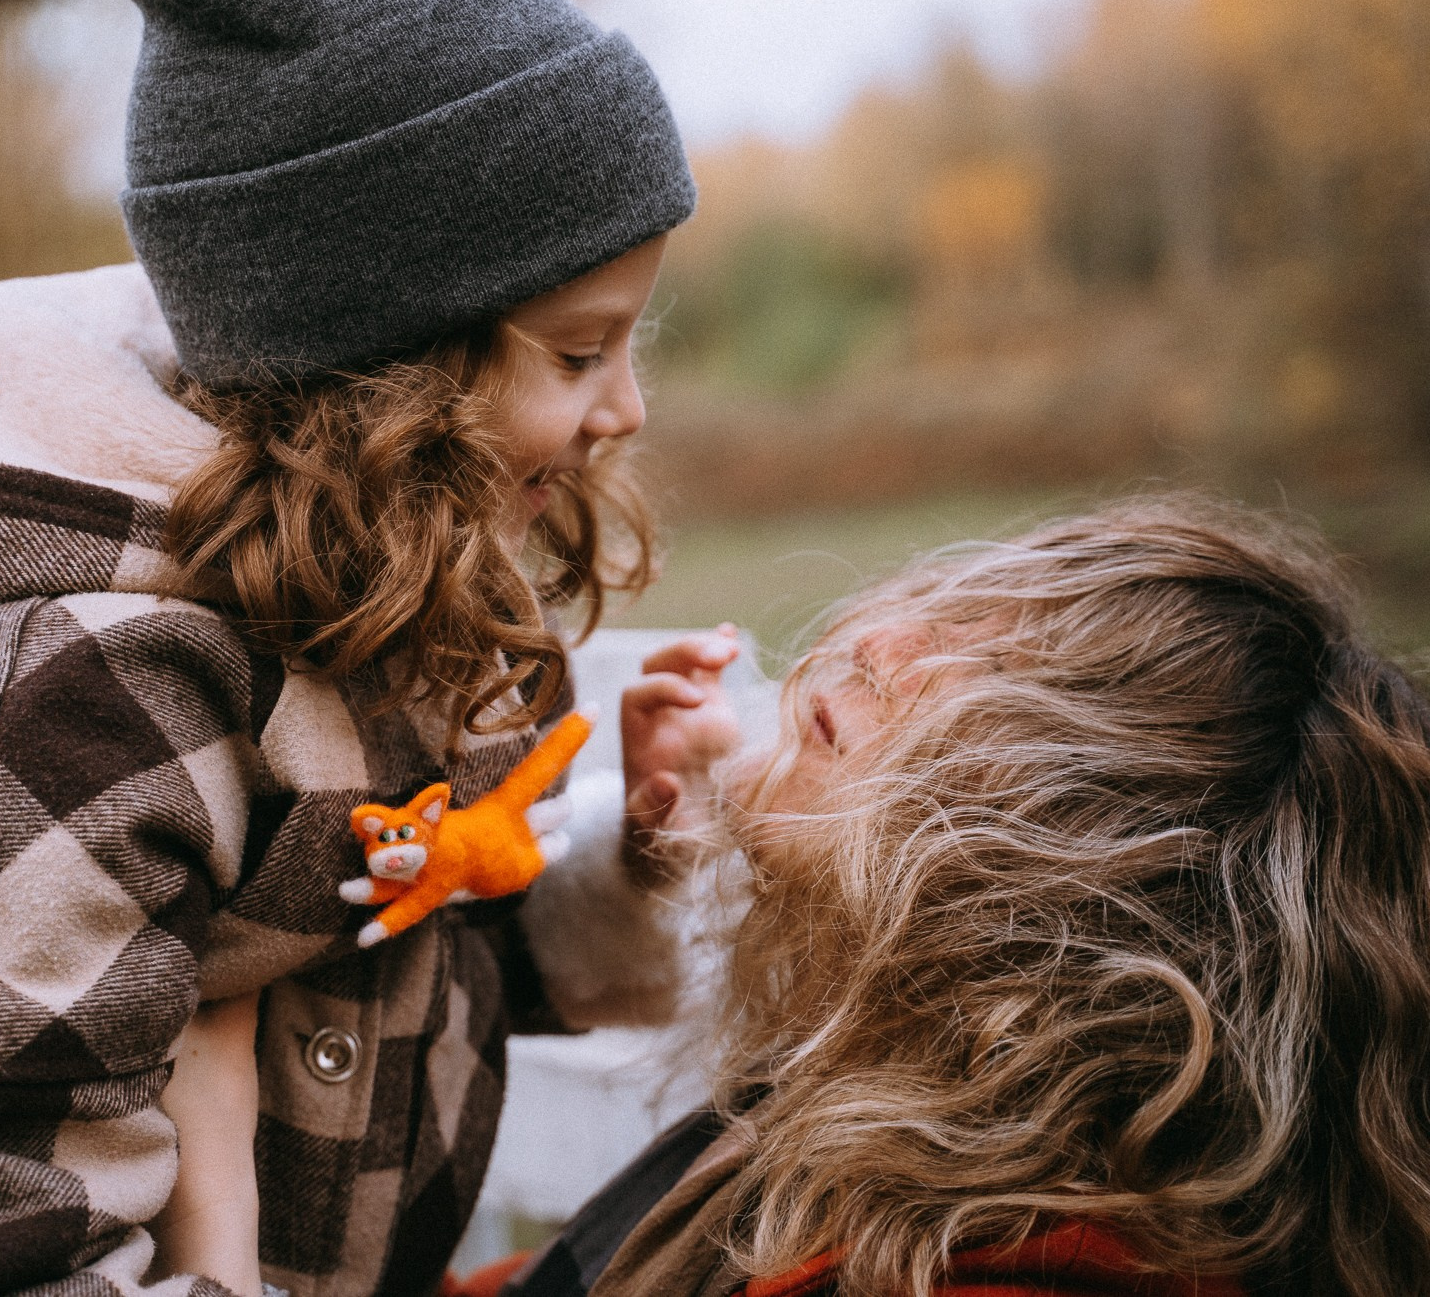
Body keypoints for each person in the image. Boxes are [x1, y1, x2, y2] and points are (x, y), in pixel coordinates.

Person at [0, 0, 744, 1296]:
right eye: (576, 353)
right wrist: (217, 1249)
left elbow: (377, 951)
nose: (626, 409)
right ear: (389, 369)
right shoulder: (63, 709)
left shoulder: (341, 600)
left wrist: (620, 863)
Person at [473, 499, 1430, 1297]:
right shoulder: (858, 1143)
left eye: (995, 682)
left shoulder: (994, 1271)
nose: (879, 643)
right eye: (951, 613)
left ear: (1088, 875)